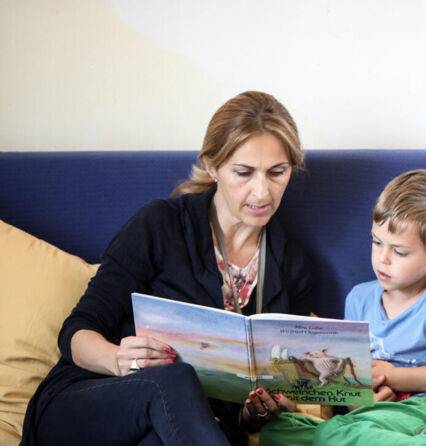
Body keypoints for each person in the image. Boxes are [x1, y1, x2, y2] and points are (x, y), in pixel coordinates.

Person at [21, 91, 313, 445]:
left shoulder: (293, 264)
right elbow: (75, 332)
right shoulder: (160, 224)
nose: (262, 191)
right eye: (244, 172)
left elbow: (264, 389)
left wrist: (256, 412)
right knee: (174, 378)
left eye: (277, 173)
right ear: (213, 166)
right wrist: (117, 359)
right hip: (90, 400)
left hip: (187, 426)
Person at [259, 169, 426, 445]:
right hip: (375, 416)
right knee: (276, 432)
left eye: (400, 251)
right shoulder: (358, 299)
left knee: (332, 433)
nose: (383, 259)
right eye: (376, 242)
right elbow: (351, 388)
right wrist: (361, 402)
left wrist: (396, 377)